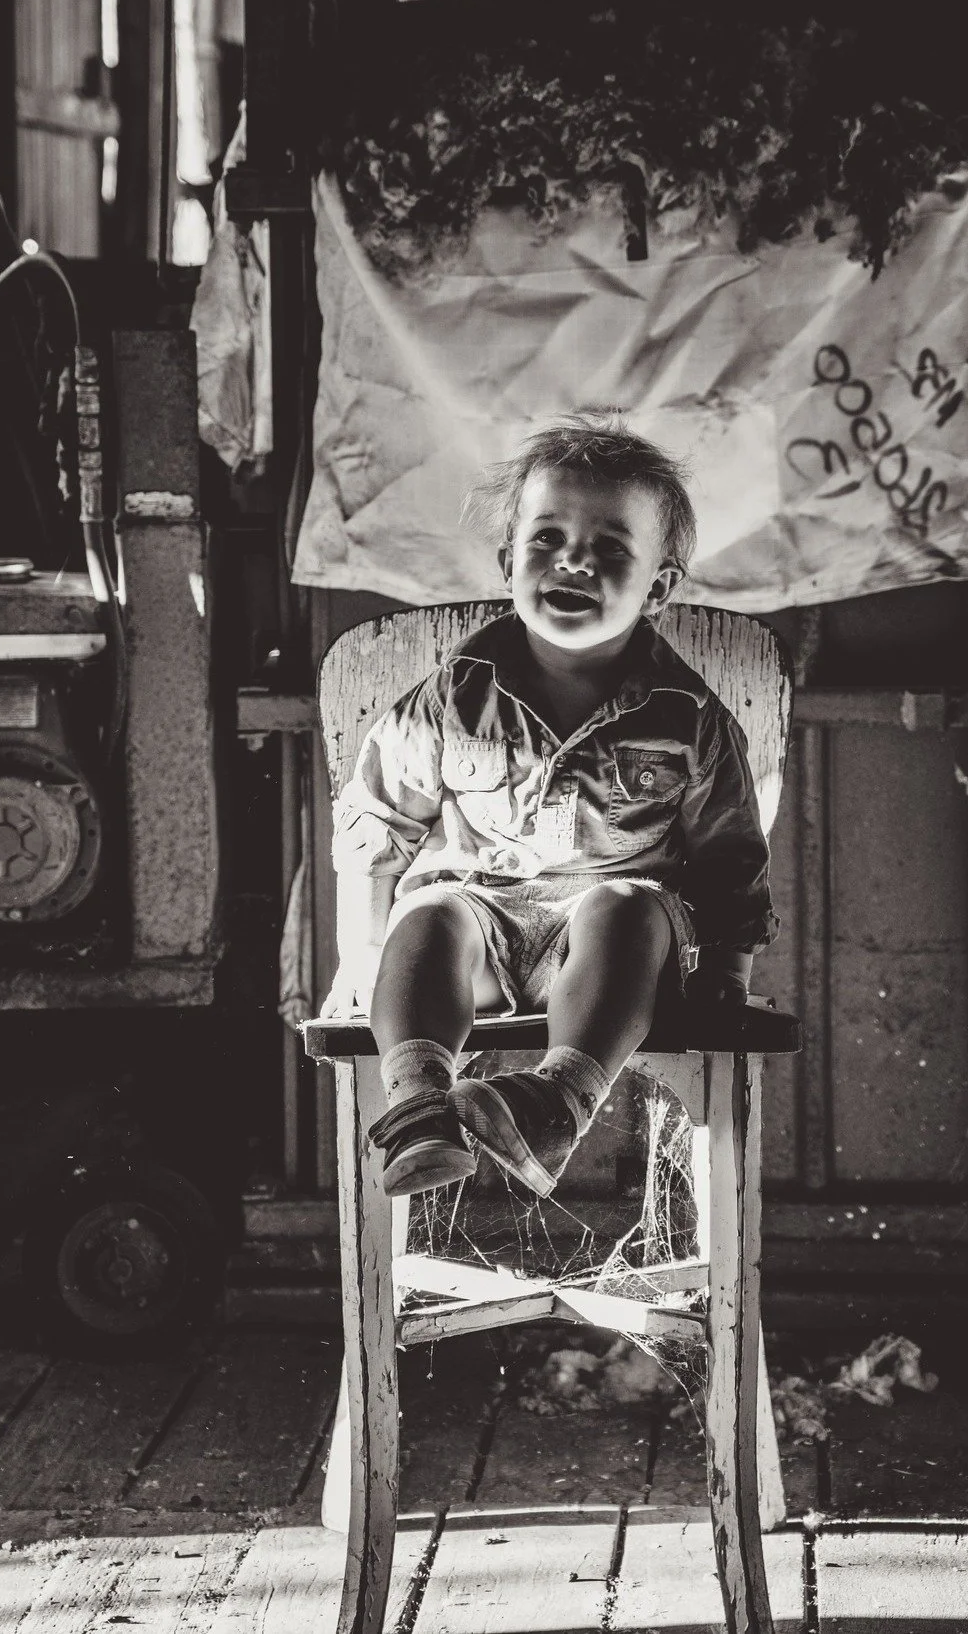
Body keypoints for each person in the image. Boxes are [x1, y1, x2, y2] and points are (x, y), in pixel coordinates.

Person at [322, 412, 778, 1198]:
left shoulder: (690, 721)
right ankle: (419, 1104)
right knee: (428, 910)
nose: (572, 562)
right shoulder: (448, 702)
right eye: (546, 540)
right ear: (507, 561)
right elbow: (377, 829)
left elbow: (729, 864)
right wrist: (358, 965)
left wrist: (727, 980)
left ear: (659, 587)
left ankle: (556, 1101)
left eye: (609, 549)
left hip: (614, 964)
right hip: (484, 946)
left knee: (626, 906)